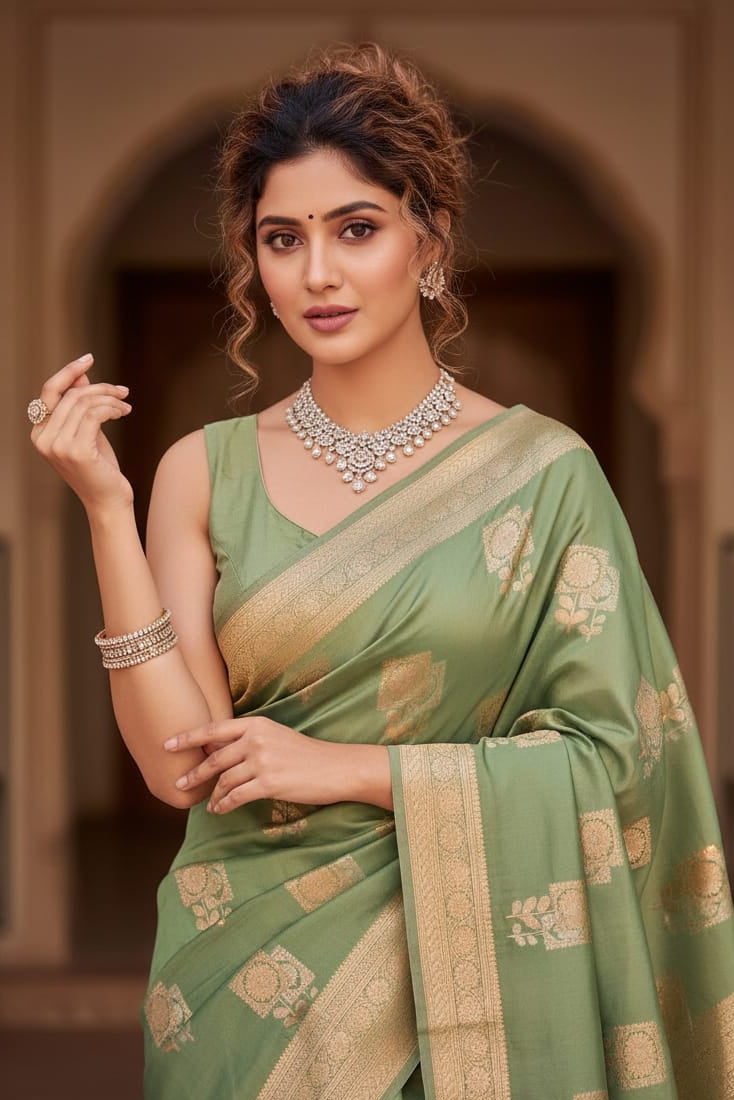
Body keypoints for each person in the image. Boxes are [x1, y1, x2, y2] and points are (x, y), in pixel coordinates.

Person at [28, 41, 733, 1100]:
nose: (315, 273)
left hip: (479, 992)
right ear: (251, 261)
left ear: (428, 239)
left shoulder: (544, 477)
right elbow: (180, 769)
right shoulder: (200, 473)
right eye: (281, 239)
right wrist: (104, 507)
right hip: (246, 985)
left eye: (355, 228)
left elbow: (612, 759)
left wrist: (351, 769)